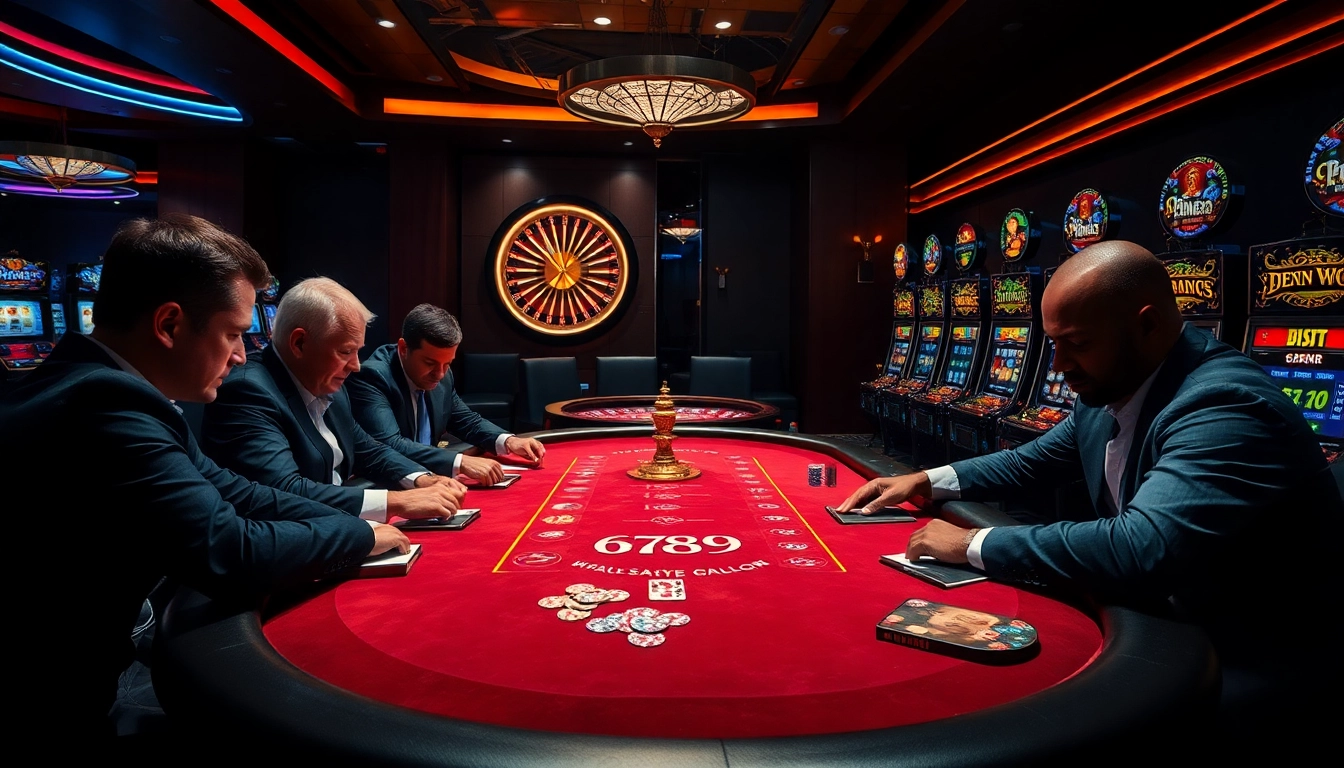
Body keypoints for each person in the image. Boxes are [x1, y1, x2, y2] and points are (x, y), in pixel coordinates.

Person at [836, 240, 1340, 747]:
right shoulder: (1114, 385)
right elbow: (1028, 460)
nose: (1058, 365)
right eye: (1052, 342)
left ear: (1147, 325)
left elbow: (1141, 547)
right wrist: (925, 479)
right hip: (1163, 618)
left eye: (1076, 343)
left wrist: (970, 544)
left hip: (1244, 658)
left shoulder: (1224, 404)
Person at [0, 214, 408, 741]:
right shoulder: (106, 406)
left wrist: (378, 510)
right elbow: (229, 549)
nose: (241, 354)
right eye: (233, 333)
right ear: (169, 325)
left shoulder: (101, 386)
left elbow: (239, 491)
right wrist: (360, 536)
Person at [201, 278, 466, 522]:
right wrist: (395, 501)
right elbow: (282, 490)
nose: (356, 366)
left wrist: (422, 479)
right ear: (300, 343)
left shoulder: (330, 384)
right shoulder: (247, 392)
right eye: (345, 351)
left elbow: (368, 450)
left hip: (334, 524)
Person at [347, 303, 545, 485]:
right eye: (430, 363)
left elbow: (466, 420)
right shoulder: (372, 376)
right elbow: (390, 444)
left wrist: (508, 441)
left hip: (431, 481)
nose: (440, 374)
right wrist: (460, 462)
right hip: (386, 484)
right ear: (404, 348)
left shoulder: (442, 375)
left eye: (447, 363)